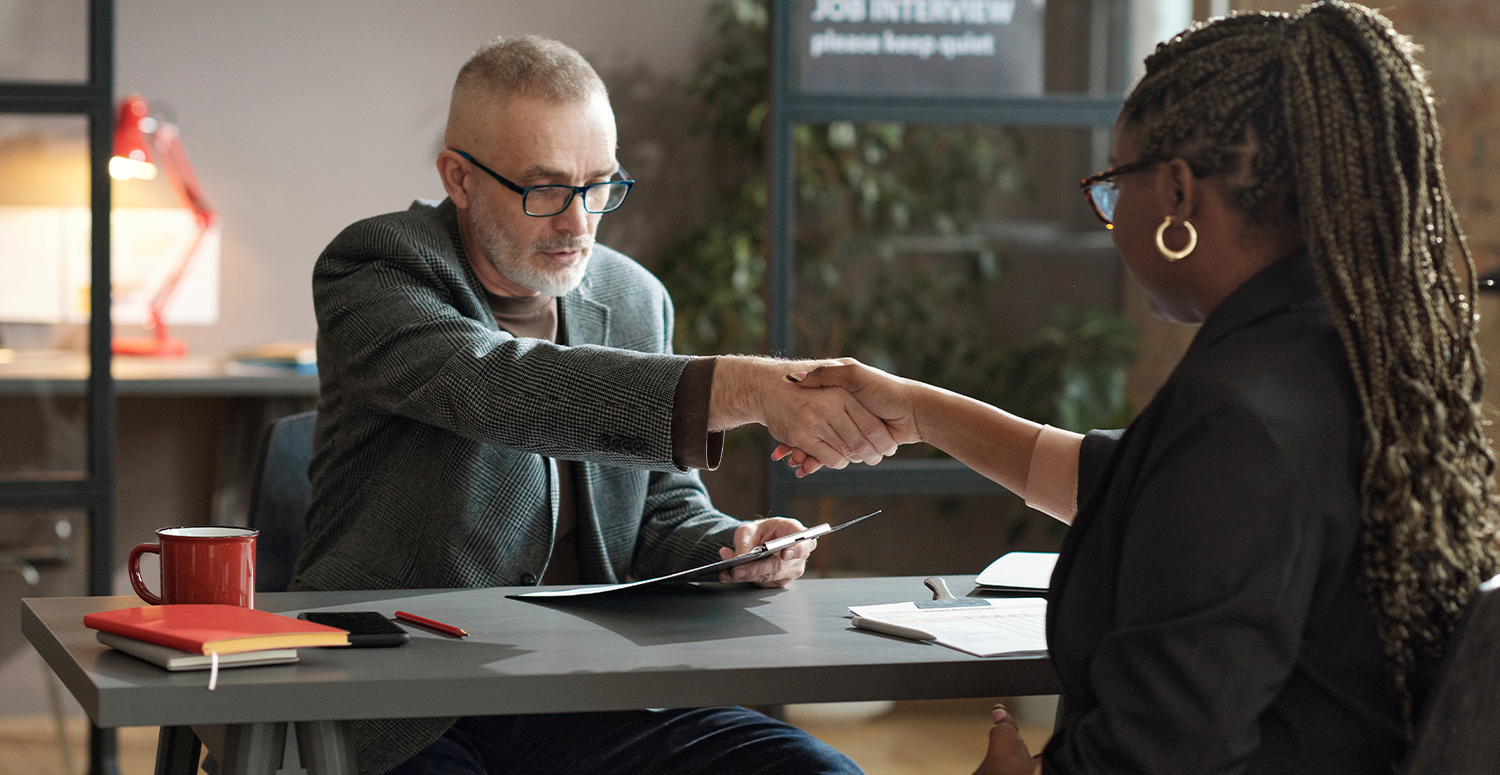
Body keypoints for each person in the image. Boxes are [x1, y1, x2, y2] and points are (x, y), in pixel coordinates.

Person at [781, 3, 1500, 773]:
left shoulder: (1240, 412)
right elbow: (1129, 488)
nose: (1112, 221)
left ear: (1180, 195)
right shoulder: (1340, 356)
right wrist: (921, 410)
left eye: (1115, 189)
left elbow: (1157, 752)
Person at [292, 35, 886, 775]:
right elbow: (497, 388)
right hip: (407, 697)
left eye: (600, 185)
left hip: (595, 692)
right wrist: (742, 388)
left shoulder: (635, 297)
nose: (579, 223)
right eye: (545, 190)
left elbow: (662, 511)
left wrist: (730, 547)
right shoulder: (376, 268)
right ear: (459, 177)